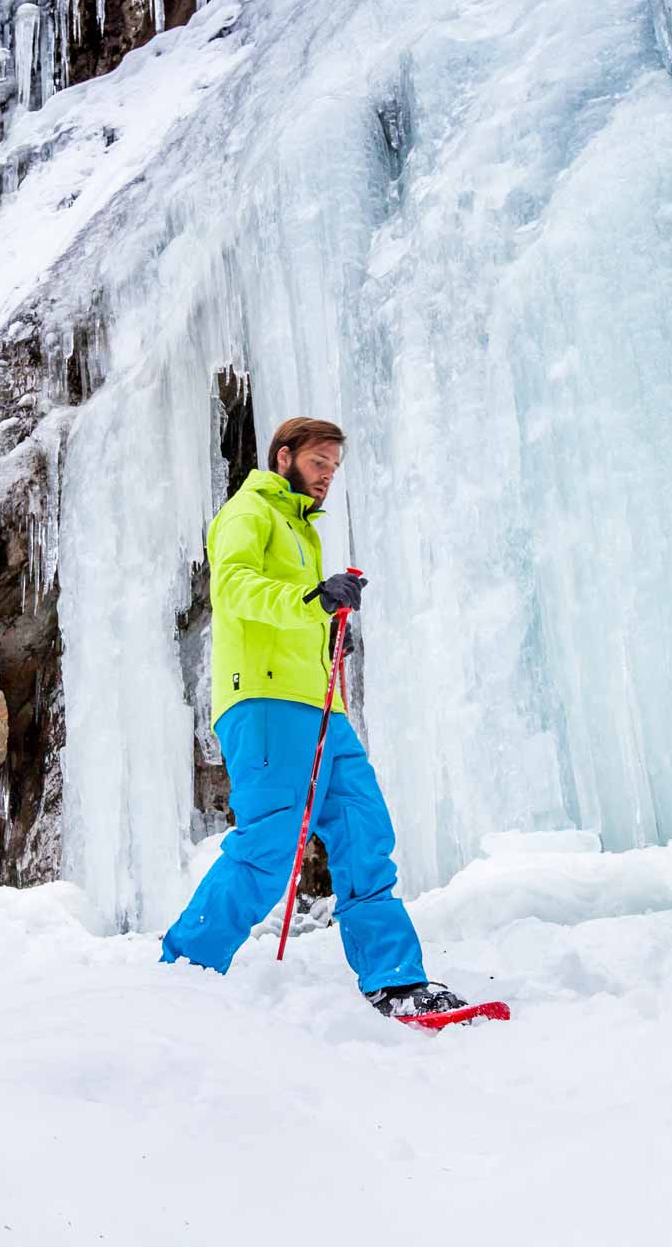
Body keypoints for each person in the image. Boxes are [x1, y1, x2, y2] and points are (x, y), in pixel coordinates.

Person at [159, 417, 468, 1018]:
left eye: (334, 467)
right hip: (268, 706)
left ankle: (394, 979)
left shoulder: (303, 530)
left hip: (323, 707)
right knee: (269, 847)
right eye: (319, 463)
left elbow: (293, 614)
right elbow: (238, 589)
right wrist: (312, 600)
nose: (327, 476)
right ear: (284, 457)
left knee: (363, 833)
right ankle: (184, 972)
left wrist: (326, 633)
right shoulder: (250, 512)